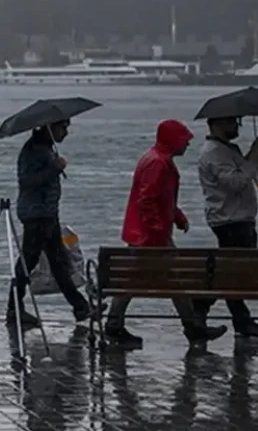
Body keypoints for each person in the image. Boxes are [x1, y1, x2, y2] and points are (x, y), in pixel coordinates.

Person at [103, 120, 228, 346]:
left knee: (137, 281)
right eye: (184, 140)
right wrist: (160, 229)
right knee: (167, 281)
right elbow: (147, 201)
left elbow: (162, 199)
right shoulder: (158, 164)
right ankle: (192, 328)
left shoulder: (157, 159)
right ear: (173, 140)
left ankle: (115, 326)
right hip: (150, 238)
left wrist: (177, 218)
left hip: (146, 236)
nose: (188, 145)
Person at [7, 119, 94, 327]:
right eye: (63, 128)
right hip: (36, 215)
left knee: (59, 261)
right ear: (49, 128)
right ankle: (13, 309)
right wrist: (54, 168)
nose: (66, 132)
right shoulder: (33, 151)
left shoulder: (45, 148)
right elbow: (27, 182)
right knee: (29, 262)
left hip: (47, 215)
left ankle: (80, 307)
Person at [194, 116, 258, 338]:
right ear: (216, 124)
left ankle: (230, 315)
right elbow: (236, 183)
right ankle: (215, 310)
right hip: (230, 220)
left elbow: (240, 172)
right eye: (231, 123)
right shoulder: (213, 153)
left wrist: (252, 152)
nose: (236, 126)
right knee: (234, 273)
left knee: (233, 272)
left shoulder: (226, 149)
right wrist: (255, 159)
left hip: (239, 219)